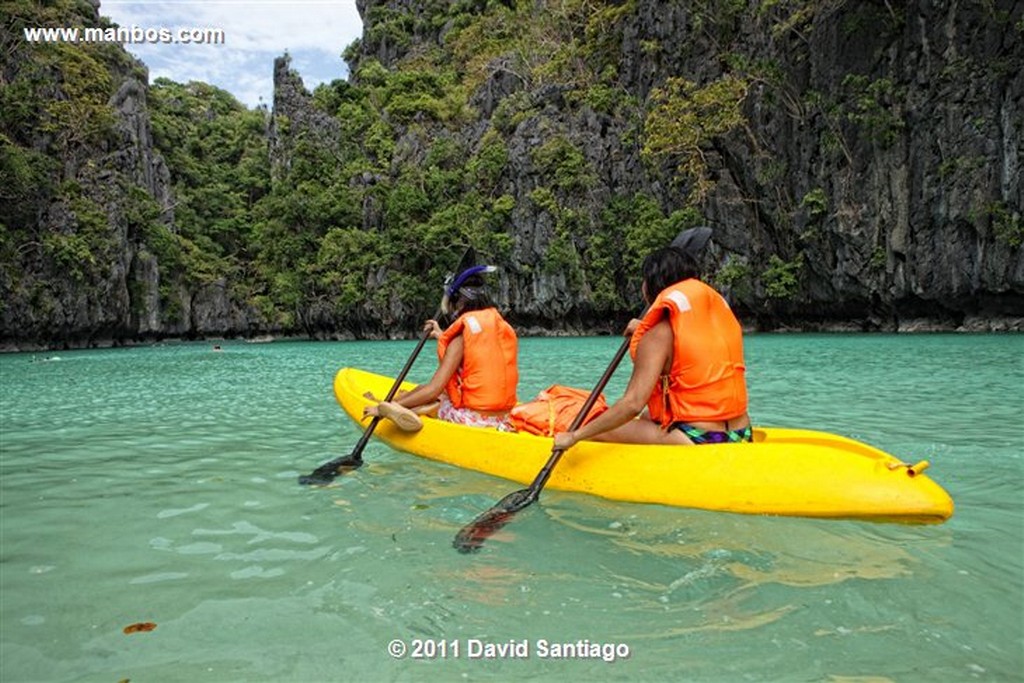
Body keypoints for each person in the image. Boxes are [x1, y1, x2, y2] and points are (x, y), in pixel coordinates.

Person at [553, 245, 751, 450]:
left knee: (598, 429)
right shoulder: (715, 323)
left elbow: (633, 403)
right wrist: (642, 329)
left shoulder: (657, 335)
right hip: (740, 433)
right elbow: (685, 348)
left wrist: (575, 436)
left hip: (699, 437)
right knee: (648, 416)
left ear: (650, 286)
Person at [363, 265, 519, 432]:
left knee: (433, 395)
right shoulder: (501, 326)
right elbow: (477, 352)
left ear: (458, 302)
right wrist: (442, 335)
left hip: (474, 420)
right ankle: (395, 404)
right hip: (504, 417)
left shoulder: (460, 338)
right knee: (430, 392)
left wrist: (380, 409)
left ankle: (405, 409)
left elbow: (433, 389)